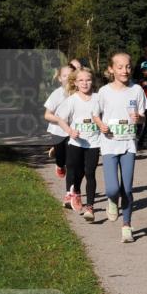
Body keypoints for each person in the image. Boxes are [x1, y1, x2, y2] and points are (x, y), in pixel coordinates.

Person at [93, 52, 146, 243]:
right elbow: (95, 114)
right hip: (109, 143)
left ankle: (127, 226)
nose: (125, 70)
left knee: (128, 189)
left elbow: (143, 116)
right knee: (112, 189)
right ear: (111, 69)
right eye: (120, 67)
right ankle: (112, 201)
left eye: (128, 66)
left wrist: (139, 118)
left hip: (128, 143)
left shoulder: (137, 90)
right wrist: (100, 125)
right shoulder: (104, 92)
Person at [50, 66, 101, 221]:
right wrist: (70, 131)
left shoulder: (99, 98)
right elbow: (60, 120)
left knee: (90, 172)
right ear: (75, 83)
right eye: (81, 80)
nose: (85, 83)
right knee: (77, 172)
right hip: (76, 143)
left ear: (92, 81)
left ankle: (90, 207)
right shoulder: (71, 100)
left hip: (93, 143)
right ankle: (76, 192)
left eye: (88, 80)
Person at [43, 63, 76, 206]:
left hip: (73, 133)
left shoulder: (79, 93)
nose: (68, 78)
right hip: (57, 131)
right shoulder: (57, 94)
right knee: (61, 159)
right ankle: (58, 163)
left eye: (71, 75)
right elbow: (47, 115)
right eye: (64, 76)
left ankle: (69, 193)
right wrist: (59, 120)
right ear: (59, 79)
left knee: (72, 163)